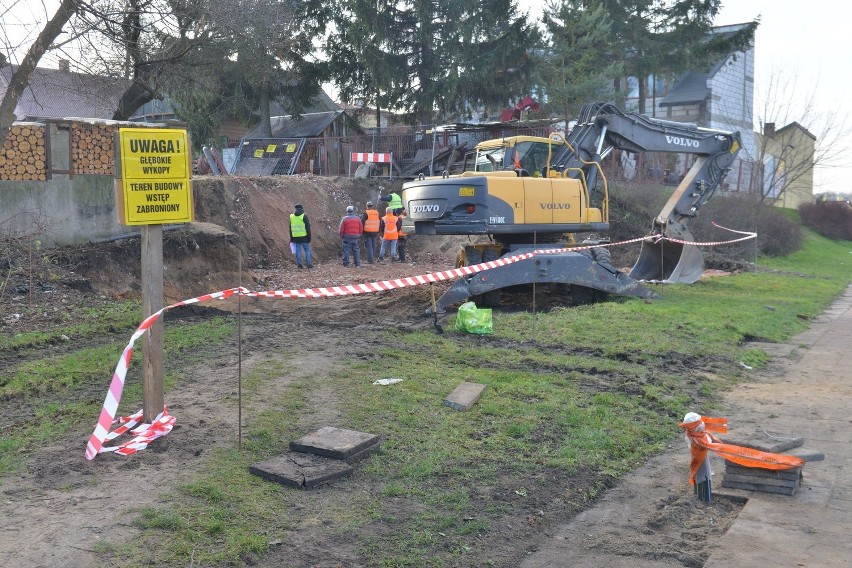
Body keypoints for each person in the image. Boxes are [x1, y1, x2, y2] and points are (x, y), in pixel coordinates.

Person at [289, 203, 313, 269]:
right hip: (304, 237)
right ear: (302, 209)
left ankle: (299, 265)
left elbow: (290, 228)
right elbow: (308, 228)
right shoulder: (304, 216)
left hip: (296, 237)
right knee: (307, 250)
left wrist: (291, 238)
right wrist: (309, 237)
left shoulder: (291, 216)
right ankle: (309, 264)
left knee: (298, 251)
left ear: (295, 209)